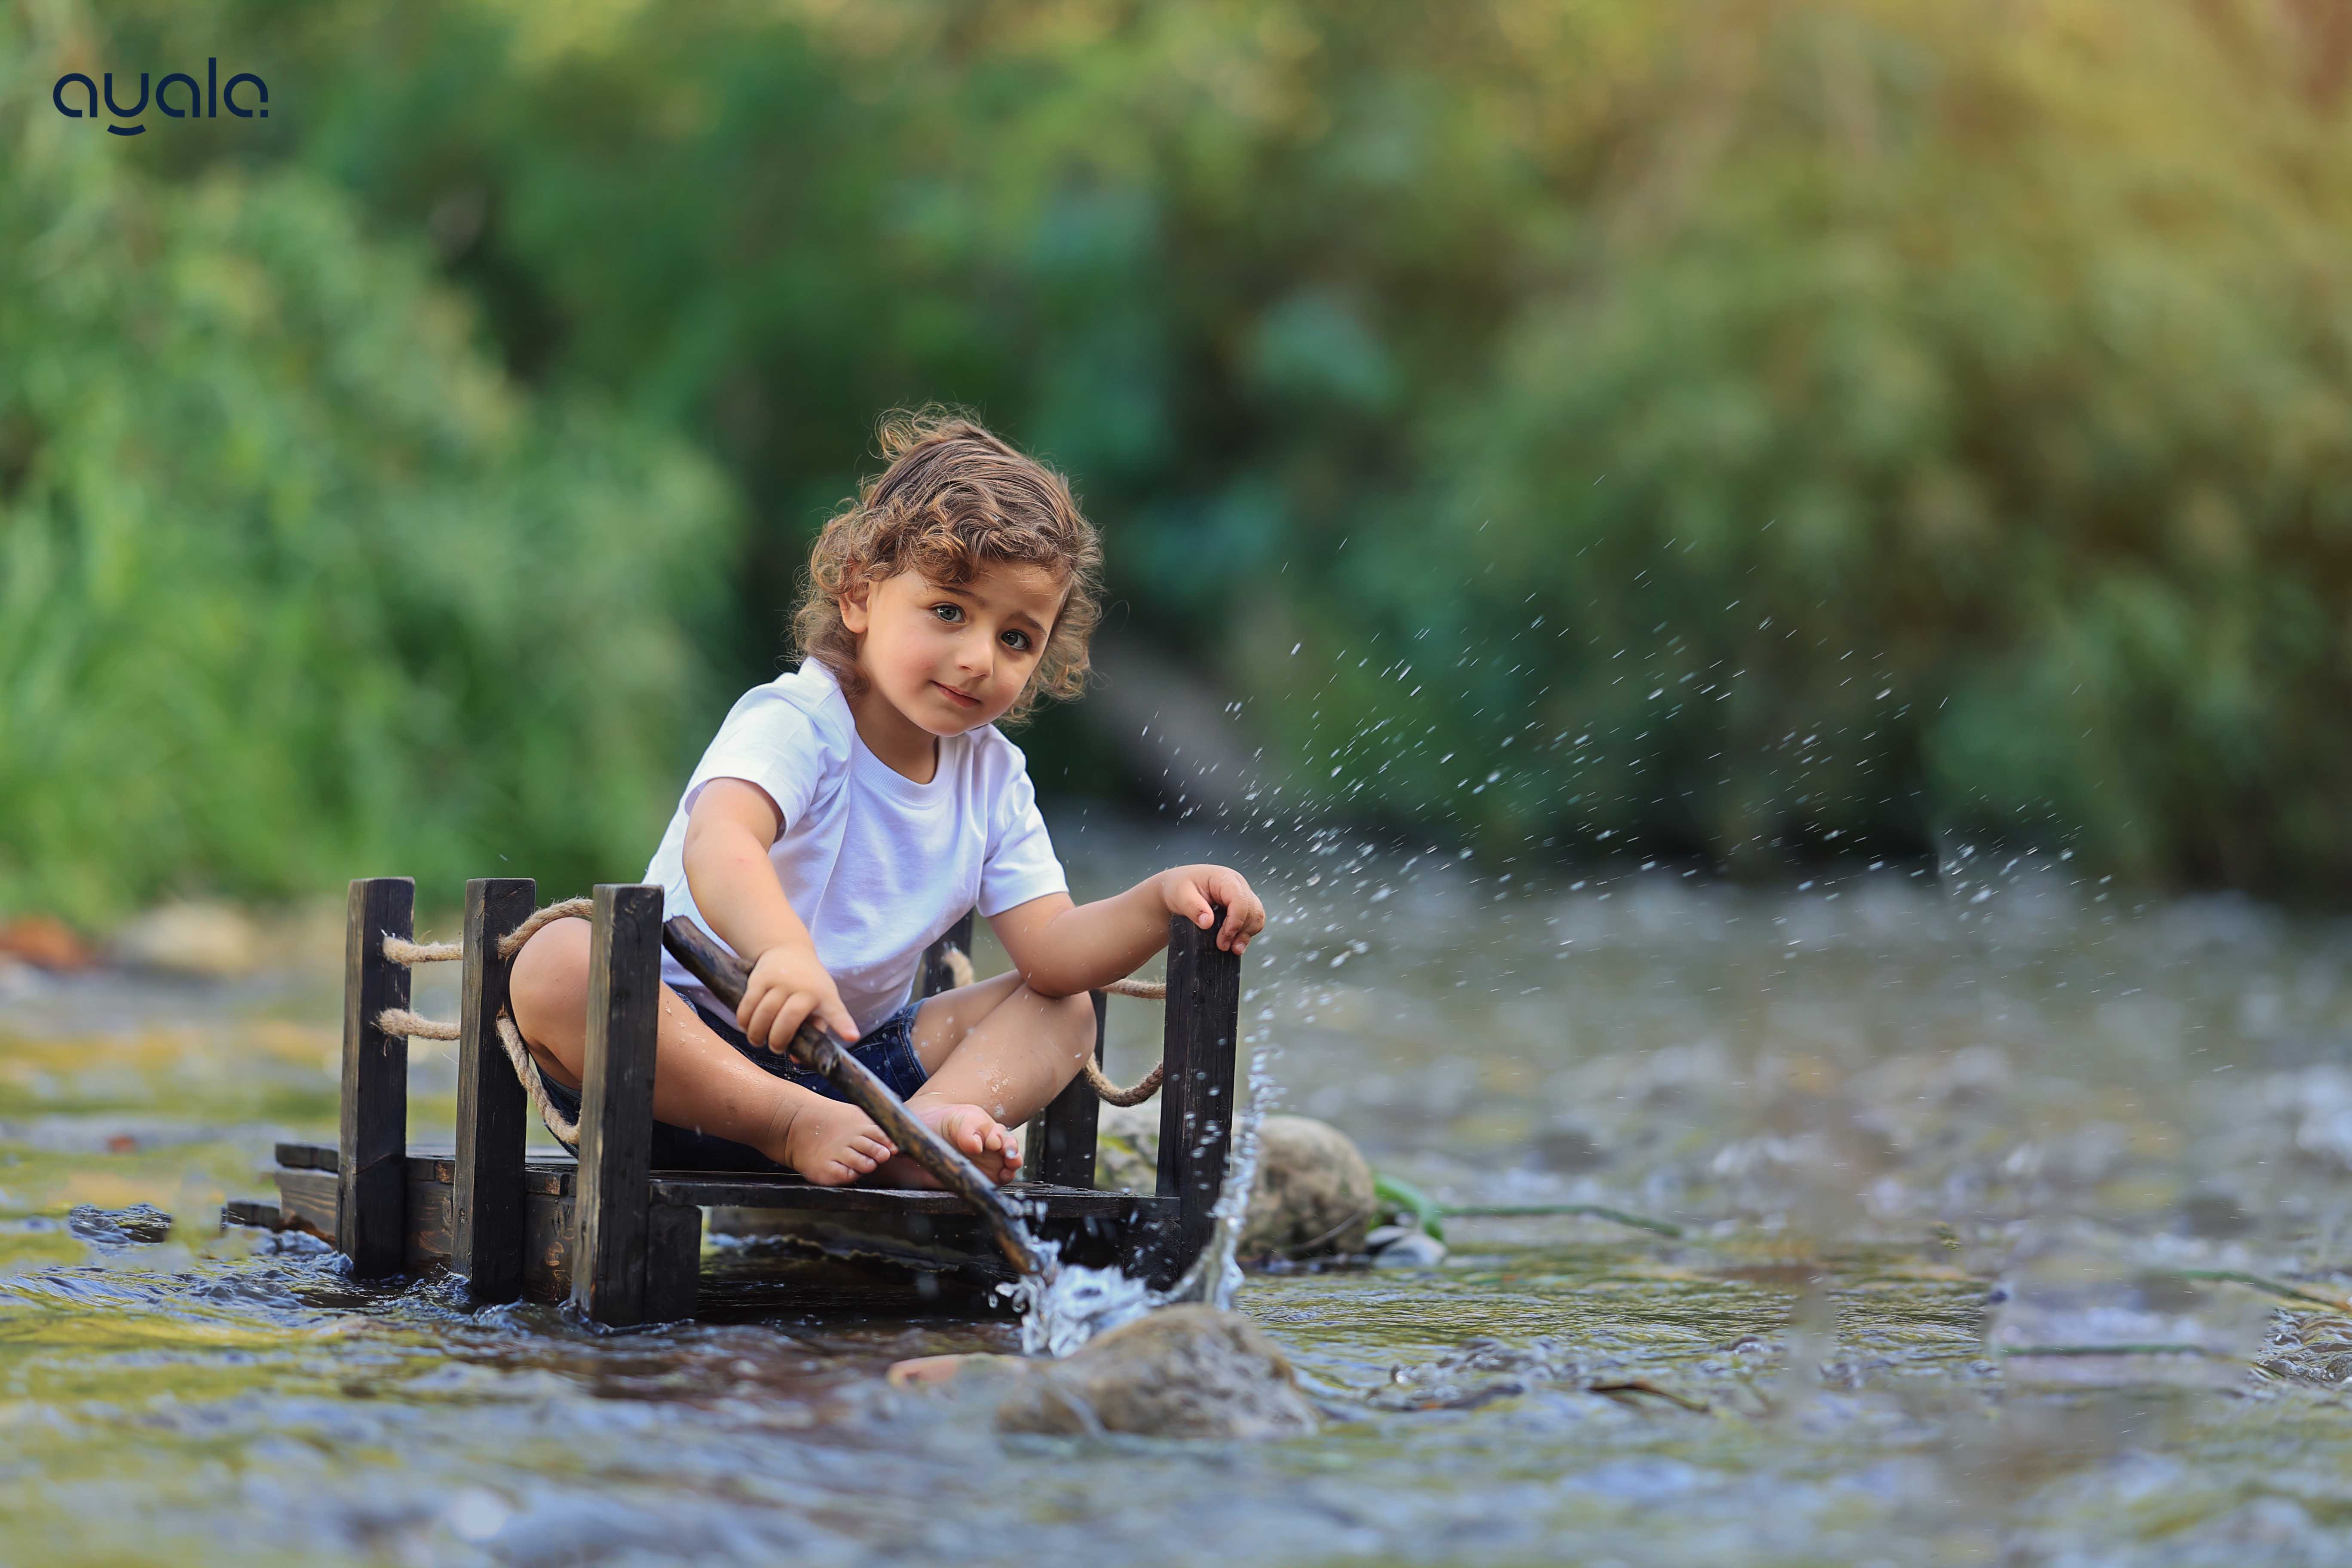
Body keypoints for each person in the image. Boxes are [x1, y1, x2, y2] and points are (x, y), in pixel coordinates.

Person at [507, 407, 1266, 1188]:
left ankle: (924, 1135)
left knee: (1065, 1011)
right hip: (674, 1073)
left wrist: (1160, 900)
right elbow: (721, 838)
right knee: (557, 964)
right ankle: (787, 1122)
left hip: (854, 1081)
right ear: (860, 597)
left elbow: (1053, 951)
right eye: (949, 612)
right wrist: (784, 953)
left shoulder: (993, 778)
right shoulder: (801, 719)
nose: (979, 659)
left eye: (1016, 638)